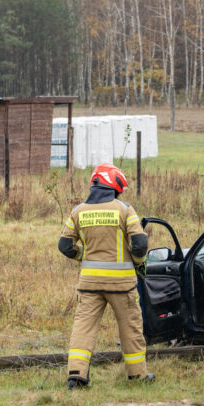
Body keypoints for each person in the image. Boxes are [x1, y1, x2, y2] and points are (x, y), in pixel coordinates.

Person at [58, 163, 154, 390]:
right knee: (130, 327)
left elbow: (64, 245)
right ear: (114, 185)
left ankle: (76, 376)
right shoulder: (124, 209)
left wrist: (83, 256)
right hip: (122, 285)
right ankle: (138, 376)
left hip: (89, 283)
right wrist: (138, 263)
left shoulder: (78, 211)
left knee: (83, 328)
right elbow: (140, 244)